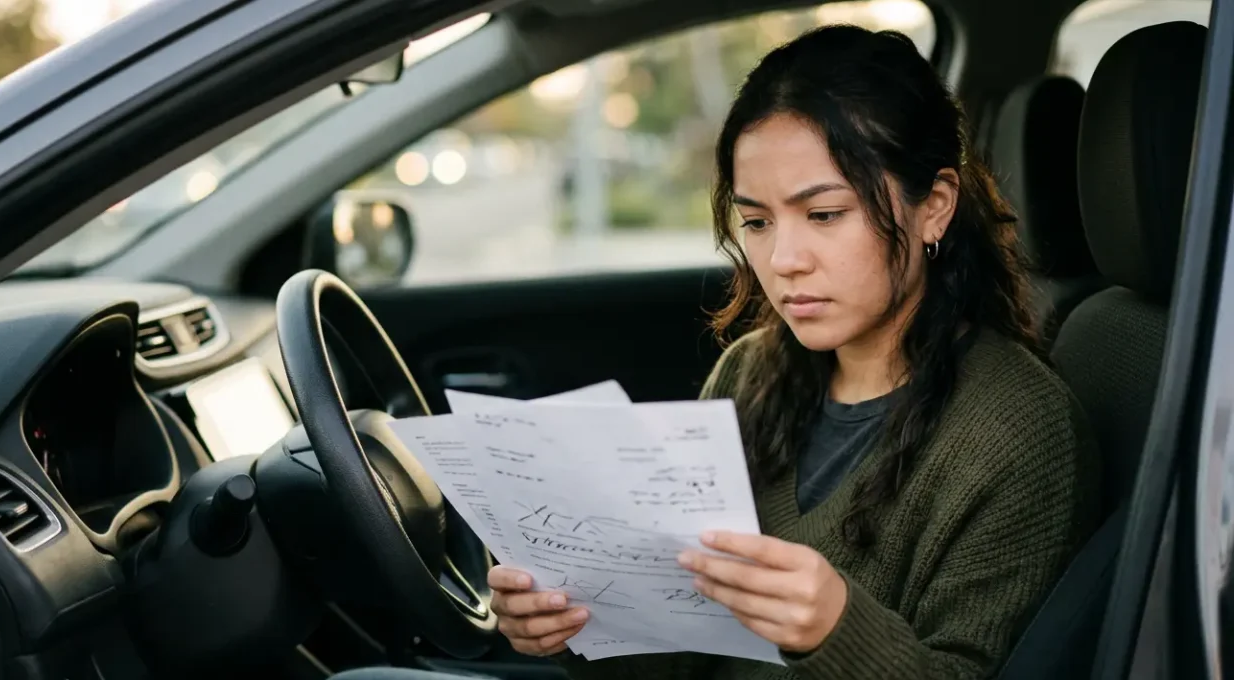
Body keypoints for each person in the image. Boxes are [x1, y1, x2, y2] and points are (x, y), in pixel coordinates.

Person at [334, 22, 1101, 680]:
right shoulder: (753, 372)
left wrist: (836, 630)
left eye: (824, 215)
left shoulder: (1021, 431)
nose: (783, 261)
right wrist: (573, 627)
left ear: (933, 207)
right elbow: (687, 657)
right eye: (757, 222)